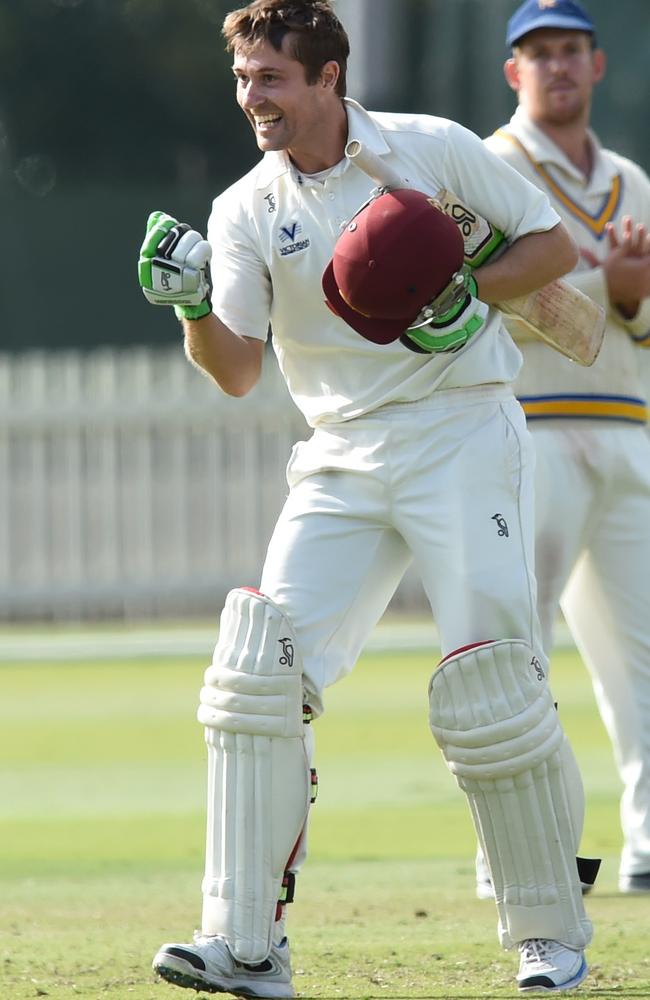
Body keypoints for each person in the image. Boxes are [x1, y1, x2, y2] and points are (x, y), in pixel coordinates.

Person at [138, 1, 595, 994]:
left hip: (459, 426)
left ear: (327, 78)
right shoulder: (243, 209)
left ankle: (547, 934)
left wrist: (466, 292)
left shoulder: (427, 148)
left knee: (489, 683)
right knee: (259, 673)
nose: (251, 98)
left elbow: (550, 250)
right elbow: (236, 370)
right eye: (243, 80)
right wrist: (187, 311)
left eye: (270, 79)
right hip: (339, 450)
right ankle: (245, 943)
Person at [481, 0, 650, 900]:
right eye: (538, 53)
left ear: (598, 64)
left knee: (644, 655)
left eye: (571, 50)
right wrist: (604, 280)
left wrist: (629, 297)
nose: (556, 67)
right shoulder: (488, 165)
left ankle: (648, 843)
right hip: (530, 430)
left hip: (628, 431)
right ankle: (517, 856)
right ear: (514, 71)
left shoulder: (630, 178)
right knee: (520, 646)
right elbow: (488, 298)